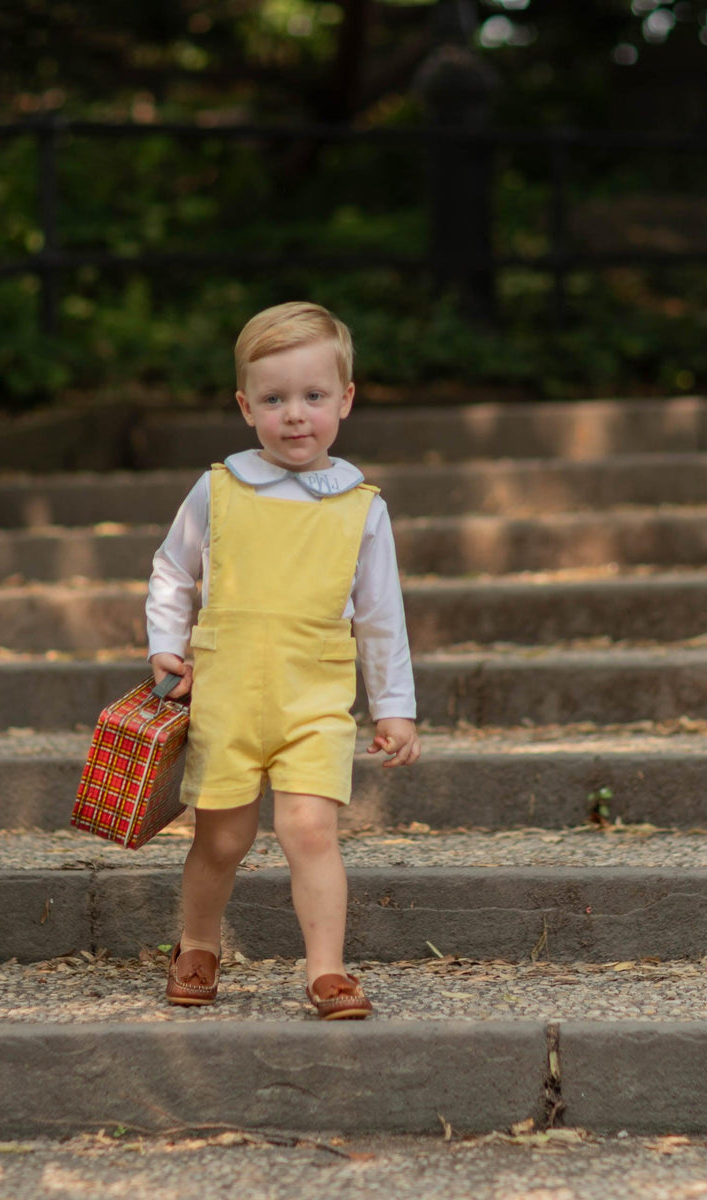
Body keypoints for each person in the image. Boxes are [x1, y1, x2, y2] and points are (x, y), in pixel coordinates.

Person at [146, 300, 420, 1019]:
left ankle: (326, 969)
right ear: (245, 407)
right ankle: (198, 943)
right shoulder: (219, 489)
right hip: (228, 699)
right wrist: (164, 645)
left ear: (345, 400)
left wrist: (393, 704)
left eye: (313, 397)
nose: (295, 415)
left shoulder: (363, 508)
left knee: (310, 831)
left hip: (313, 702)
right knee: (223, 837)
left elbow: (382, 614)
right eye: (274, 399)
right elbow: (172, 571)